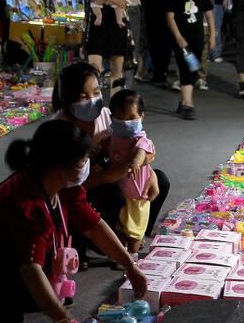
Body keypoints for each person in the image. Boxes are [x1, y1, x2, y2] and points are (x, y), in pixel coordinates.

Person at [0, 120, 148, 323]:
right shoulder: (26, 204)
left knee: (50, 267)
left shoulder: (61, 185)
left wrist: (130, 265)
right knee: (35, 269)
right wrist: (64, 321)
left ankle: (36, 301)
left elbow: (94, 226)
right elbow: (31, 269)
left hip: (6, 267)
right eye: (83, 161)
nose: (88, 166)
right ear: (60, 166)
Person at [52, 61, 171, 258]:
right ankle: (99, 241)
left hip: (115, 173)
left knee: (161, 180)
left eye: (97, 92)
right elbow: (71, 185)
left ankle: (135, 236)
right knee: (112, 194)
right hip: (77, 191)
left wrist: (148, 171)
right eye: (83, 96)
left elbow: (143, 146)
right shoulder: (59, 129)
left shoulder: (107, 115)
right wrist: (113, 173)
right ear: (67, 100)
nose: (92, 100)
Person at [107, 89, 159, 252]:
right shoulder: (113, 137)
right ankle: (121, 252)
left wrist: (135, 163)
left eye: (131, 118)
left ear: (141, 117)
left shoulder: (140, 138)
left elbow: (141, 151)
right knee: (120, 226)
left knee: (135, 230)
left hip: (138, 194)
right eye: (120, 118)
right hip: (120, 191)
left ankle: (133, 255)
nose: (125, 122)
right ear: (112, 118)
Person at [166, 0, 216, 120]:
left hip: (197, 39)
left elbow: (209, 14)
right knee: (186, 68)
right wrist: (178, 37)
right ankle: (188, 104)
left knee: (194, 69)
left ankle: (183, 102)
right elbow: (169, 17)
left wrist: (213, 35)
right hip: (180, 40)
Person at [80, 0, 131, 91]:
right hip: (97, 22)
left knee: (117, 69)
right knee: (94, 69)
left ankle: (116, 105)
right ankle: (95, 104)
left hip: (116, 22)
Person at [142, 0, 174, 86]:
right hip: (151, 10)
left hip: (167, 11)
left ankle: (163, 72)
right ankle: (157, 72)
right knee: (153, 42)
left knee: (166, 43)